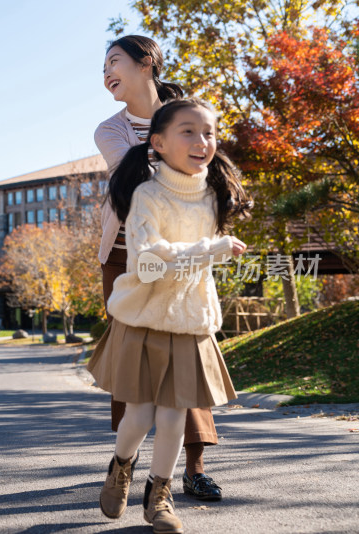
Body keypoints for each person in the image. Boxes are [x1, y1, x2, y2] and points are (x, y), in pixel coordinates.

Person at [88, 97, 252, 533]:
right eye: (188, 132)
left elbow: (198, 265)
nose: (202, 142)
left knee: (175, 416)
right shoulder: (147, 195)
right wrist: (210, 248)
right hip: (143, 319)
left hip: (190, 321)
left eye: (209, 133)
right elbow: (147, 261)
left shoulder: (213, 198)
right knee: (139, 416)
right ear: (157, 143)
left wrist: (211, 251)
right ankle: (121, 466)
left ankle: (158, 495)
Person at [95, 34, 226, 501]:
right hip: (127, 253)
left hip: (191, 253)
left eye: (114, 60)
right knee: (137, 367)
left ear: (146, 63)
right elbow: (139, 180)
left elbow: (209, 171)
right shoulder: (109, 130)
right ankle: (124, 461)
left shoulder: (188, 114)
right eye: (103, 65)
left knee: (187, 362)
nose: (106, 71)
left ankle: (189, 469)